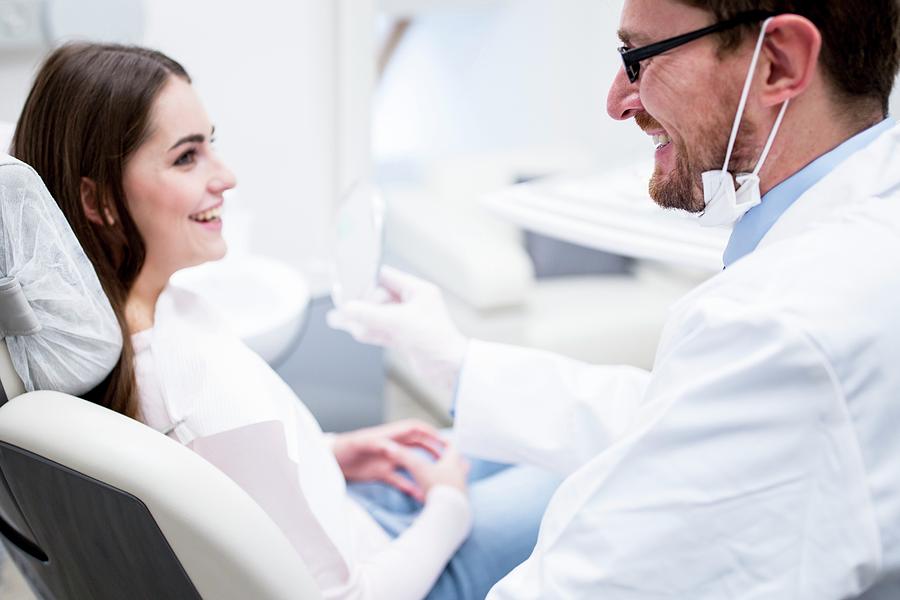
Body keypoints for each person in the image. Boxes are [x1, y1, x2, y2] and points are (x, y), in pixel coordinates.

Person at [328, 1, 900, 597]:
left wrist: (447, 510)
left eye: (640, 58)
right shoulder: (861, 231)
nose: (616, 101)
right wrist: (456, 362)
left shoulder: (777, 327)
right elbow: (682, 414)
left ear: (778, 62)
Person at [12, 42, 558, 600]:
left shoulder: (123, 328)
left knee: (535, 434)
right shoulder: (202, 396)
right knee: (579, 477)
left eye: (211, 145)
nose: (225, 176)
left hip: (350, 516)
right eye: (186, 157)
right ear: (98, 200)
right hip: (410, 572)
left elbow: (230, 482)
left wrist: (327, 453)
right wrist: (450, 506)